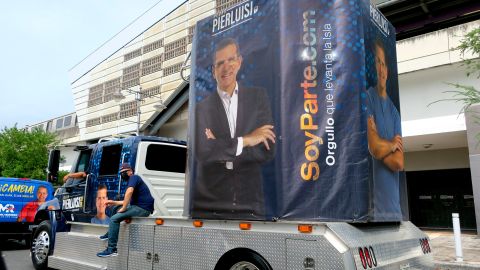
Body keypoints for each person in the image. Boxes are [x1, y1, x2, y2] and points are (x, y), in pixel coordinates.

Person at [192, 38, 276, 219]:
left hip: (250, 205)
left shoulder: (258, 97)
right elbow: (204, 153)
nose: (226, 66)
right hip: (211, 207)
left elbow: (267, 150)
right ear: (213, 71)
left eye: (230, 60)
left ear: (239, 62)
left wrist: (221, 147)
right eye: (220, 63)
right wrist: (247, 140)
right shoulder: (201, 109)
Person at [367, 39, 404, 220]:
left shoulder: (394, 112)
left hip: (394, 212)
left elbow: (398, 162)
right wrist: (390, 144)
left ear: (387, 70)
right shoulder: (367, 98)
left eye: (383, 64)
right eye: (377, 63)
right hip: (374, 213)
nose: (381, 69)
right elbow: (374, 147)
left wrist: (379, 141)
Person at [96, 163, 154, 257]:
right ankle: (110, 233)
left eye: (124, 172)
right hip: (137, 206)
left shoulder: (134, 177)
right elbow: (127, 200)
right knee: (115, 208)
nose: (122, 174)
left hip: (143, 209)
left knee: (114, 219)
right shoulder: (132, 180)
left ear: (130, 171)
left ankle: (112, 249)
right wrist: (113, 202)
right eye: (121, 172)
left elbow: (129, 192)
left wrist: (123, 208)